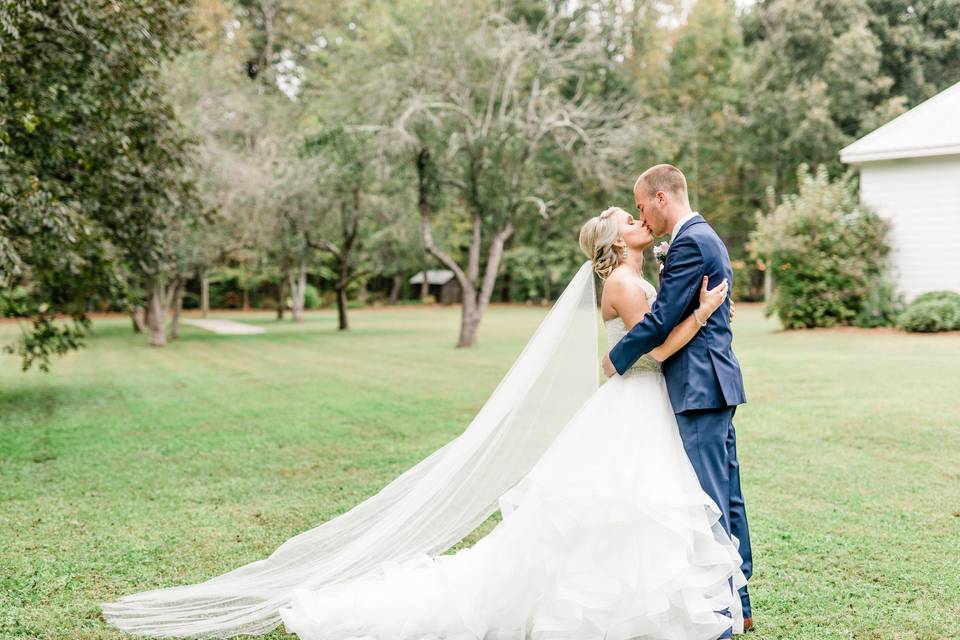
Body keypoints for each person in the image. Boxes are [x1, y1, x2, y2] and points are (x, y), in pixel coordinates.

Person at [103, 204, 747, 640]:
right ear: (615, 244)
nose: (640, 223)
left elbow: (625, 356)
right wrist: (705, 310)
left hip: (633, 408)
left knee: (626, 512)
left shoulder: (634, 280)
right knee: (631, 509)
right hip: (634, 408)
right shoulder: (630, 287)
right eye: (627, 221)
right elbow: (648, 351)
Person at [602, 164, 754, 634]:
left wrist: (615, 358)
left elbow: (663, 315)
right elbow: (686, 310)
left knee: (706, 501)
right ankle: (739, 603)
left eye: (642, 205)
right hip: (713, 383)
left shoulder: (689, 241)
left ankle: (721, 616)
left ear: (661, 198)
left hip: (697, 385)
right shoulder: (706, 237)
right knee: (725, 498)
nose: (643, 216)